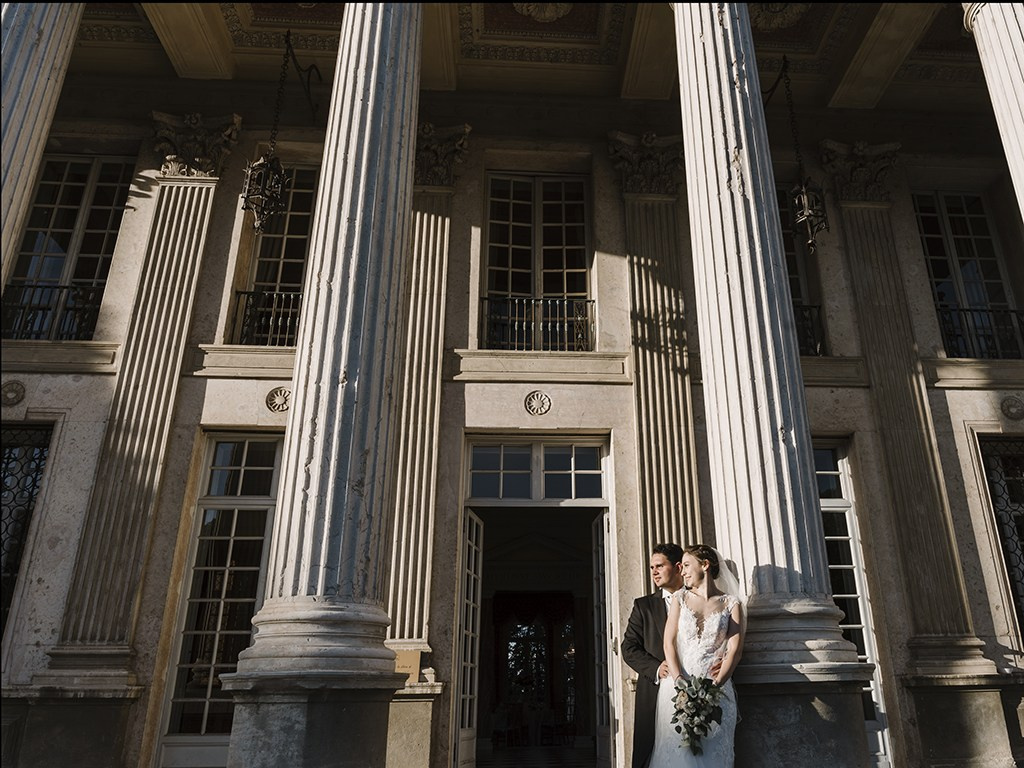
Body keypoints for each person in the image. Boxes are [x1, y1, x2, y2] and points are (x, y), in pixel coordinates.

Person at [648, 544, 745, 768]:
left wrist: (716, 685)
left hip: (718, 690)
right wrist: (679, 680)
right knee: (678, 755)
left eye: (687, 565)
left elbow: (735, 650)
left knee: (713, 755)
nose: (682, 571)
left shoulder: (731, 603)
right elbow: (668, 643)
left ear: (705, 565)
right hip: (678, 688)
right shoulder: (680, 599)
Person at [621, 543, 686, 768]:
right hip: (655, 690)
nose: (654, 572)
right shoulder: (644, 606)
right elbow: (628, 647)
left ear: (678, 567)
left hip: (696, 687)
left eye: (660, 566)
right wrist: (657, 668)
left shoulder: (699, 601)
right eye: (651, 567)